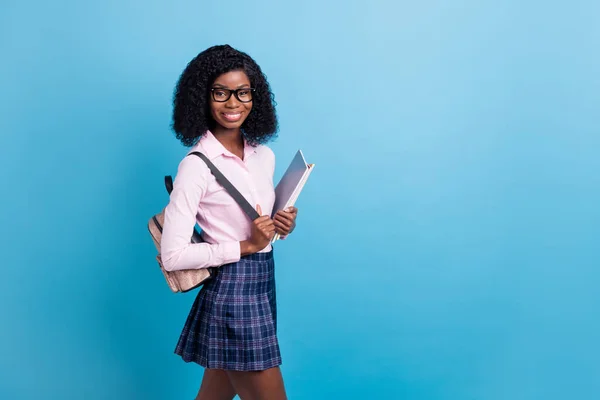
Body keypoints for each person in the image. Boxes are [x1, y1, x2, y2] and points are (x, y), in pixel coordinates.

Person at [160, 44, 297, 400]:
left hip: (263, 280)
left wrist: (279, 226)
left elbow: (258, 230)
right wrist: (246, 245)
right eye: (220, 93)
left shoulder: (262, 156)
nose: (232, 103)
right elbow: (172, 255)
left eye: (242, 92)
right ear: (203, 98)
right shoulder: (196, 166)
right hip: (233, 292)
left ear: (255, 98)